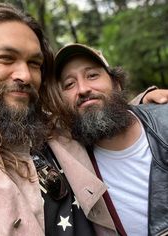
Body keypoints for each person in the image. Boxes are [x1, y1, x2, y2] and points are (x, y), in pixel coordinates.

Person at [0, 2, 167, 236]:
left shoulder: (53, 131)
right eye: (6, 58)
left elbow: (103, 113)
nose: (24, 75)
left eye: (34, 63)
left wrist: (147, 108)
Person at [44, 43, 168, 236]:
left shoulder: (163, 120)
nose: (83, 89)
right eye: (69, 84)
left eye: (92, 75)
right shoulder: (69, 155)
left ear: (116, 83)